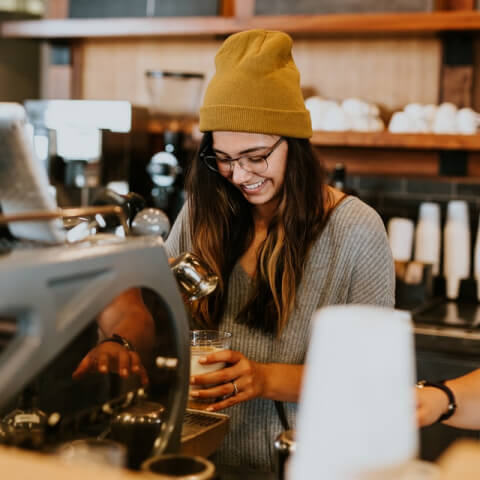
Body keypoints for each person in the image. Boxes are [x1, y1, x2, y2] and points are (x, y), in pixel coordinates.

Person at [162, 29, 395, 472]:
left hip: (299, 464)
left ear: (295, 144)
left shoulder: (355, 229)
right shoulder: (201, 213)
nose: (238, 174)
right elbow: (162, 312)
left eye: (256, 155)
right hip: (197, 461)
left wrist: (264, 378)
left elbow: (373, 379)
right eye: (223, 158)